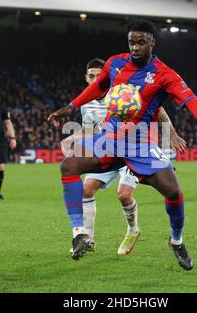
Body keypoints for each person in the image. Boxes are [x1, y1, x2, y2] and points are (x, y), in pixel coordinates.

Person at [48, 19, 197, 270]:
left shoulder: (164, 75)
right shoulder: (115, 63)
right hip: (110, 139)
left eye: (141, 42)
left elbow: (190, 99)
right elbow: (98, 86)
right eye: (131, 42)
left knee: (174, 192)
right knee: (68, 166)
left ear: (152, 42)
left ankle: (176, 241)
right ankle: (79, 233)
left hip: (141, 144)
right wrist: (70, 107)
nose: (135, 47)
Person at [62, 58, 187, 255]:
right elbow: (89, 130)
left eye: (98, 75)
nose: (95, 79)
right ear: (86, 78)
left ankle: (132, 230)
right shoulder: (87, 105)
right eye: (91, 76)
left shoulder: (123, 90)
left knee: (124, 195)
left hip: (136, 148)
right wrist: (72, 138)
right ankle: (87, 239)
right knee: (86, 190)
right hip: (108, 149)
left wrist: (171, 134)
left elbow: (158, 110)